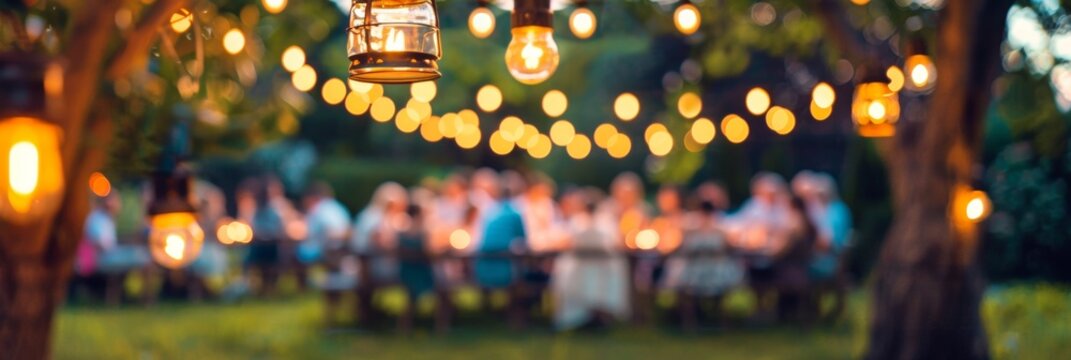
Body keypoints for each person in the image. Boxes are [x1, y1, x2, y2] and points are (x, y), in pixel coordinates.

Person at [551, 192, 630, 330]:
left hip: (579, 273)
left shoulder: (577, 222)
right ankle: (598, 316)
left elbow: (564, 243)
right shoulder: (606, 224)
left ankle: (588, 316)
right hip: (601, 274)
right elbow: (618, 244)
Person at [662, 201, 744, 330]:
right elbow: (731, 248)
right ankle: (712, 318)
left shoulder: (689, 231)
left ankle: (689, 320)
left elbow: (676, 248)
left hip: (694, 276)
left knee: (677, 273)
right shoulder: (720, 230)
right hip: (717, 274)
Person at [75, 191, 151, 303]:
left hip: (109, 255)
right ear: (108, 203)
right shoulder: (97, 219)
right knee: (145, 259)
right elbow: (100, 243)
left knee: (143, 255)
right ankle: (146, 299)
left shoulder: (105, 219)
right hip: (104, 258)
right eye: (115, 201)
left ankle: (141, 296)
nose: (118, 205)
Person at [775, 196, 818, 323]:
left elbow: (780, 252)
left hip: (793, 269)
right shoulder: (809, 222)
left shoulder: (795, 225)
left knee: (763, 270)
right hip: (802, 266)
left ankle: (779, 313)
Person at [244, 178, 287, 296]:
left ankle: (270, 287)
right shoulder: (255, 210)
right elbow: (252, 229)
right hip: (260, 245)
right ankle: (260, 287)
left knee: (272, 257)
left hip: (271, 245)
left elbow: (280, 231)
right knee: (255, 256)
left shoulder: (276, 210)